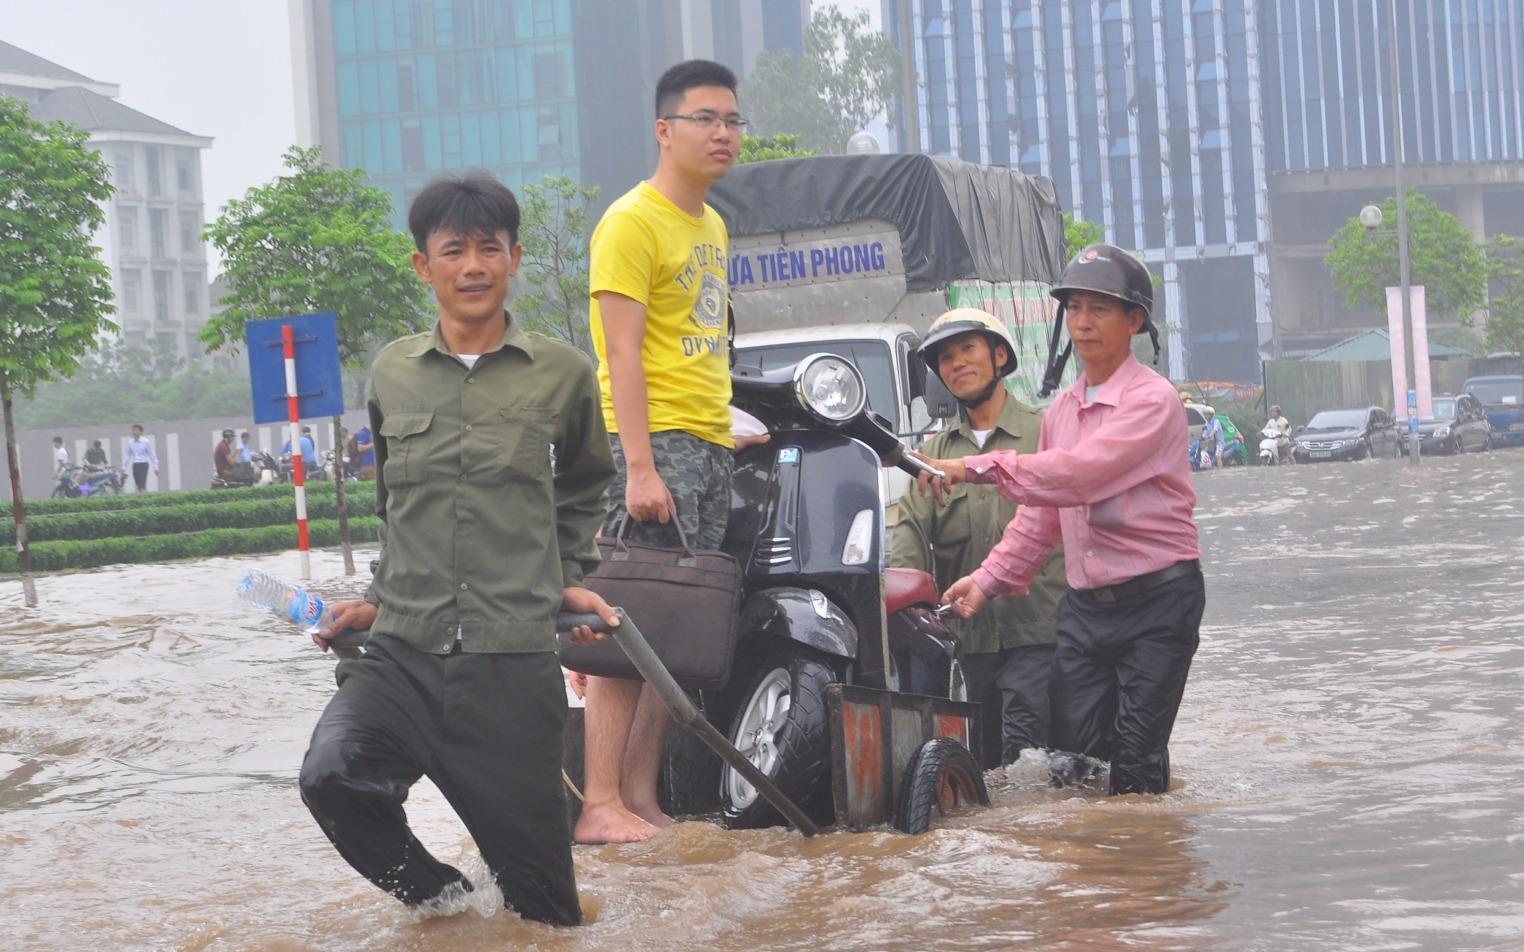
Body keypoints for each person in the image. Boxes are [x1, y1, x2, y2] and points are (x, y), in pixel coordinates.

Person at [300, 171, 618, 926]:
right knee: (331, 778)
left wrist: (567, 575)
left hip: (511, 665)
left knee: (546, 913)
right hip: (403, 652)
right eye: (453, 250)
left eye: (488, 248)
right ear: (424, 265)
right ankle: (448, 909)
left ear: (513, 258)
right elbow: (395, 503)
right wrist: (375, 600)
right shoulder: (392, 372)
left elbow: (585, 483)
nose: (472, 266)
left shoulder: (564, 374)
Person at [914, 243, 1204, 796]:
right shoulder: (1064, 410)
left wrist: (972, 468)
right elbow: (1040, 518)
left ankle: (1148, 872)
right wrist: (986, 580)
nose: (1083, 323)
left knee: (1136, 759)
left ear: (1134, 320)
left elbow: (1078, 476)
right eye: (1074, 309)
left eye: (1099, 309)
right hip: (1085, 610)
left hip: (1158, 603)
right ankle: (1091, 872)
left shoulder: (1154, 401)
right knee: (1073, 763)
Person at [578, 59, 743, 845]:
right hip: (655, 445)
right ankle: (599, 800)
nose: (723, 134)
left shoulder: (711, 225)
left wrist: (728, 425)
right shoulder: (630, 222)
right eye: (706, 118)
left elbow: (701, 346)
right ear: (664, 129)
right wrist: (640, 466)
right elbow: (622, 355)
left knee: (669, 634)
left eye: (733, 121)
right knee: (627, 624)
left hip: (708, 444)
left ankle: (640, 799)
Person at [889, 308, 1067, 766]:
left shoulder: (1045, 431)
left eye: (968, 349)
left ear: (999, 355)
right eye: (945, 357)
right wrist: (909, 609)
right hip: (970, 643)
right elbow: (910, 532)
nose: (957, 363)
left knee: (1027, 754)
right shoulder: (931, 456)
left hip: (1041, 634)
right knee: (979, 767)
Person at [124, 424, 158, 492]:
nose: (133, 432)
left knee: (142, 481)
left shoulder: (145, 441)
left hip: (143, 464)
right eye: (133, 430)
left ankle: (143, 495)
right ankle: (143, 495)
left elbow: (152, 454)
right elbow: (127, 455)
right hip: (135, 464)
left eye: (135, 430)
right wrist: (123, 466)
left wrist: (156, 467)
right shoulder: (130, 442)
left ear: (140, 432)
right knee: (138, 483)